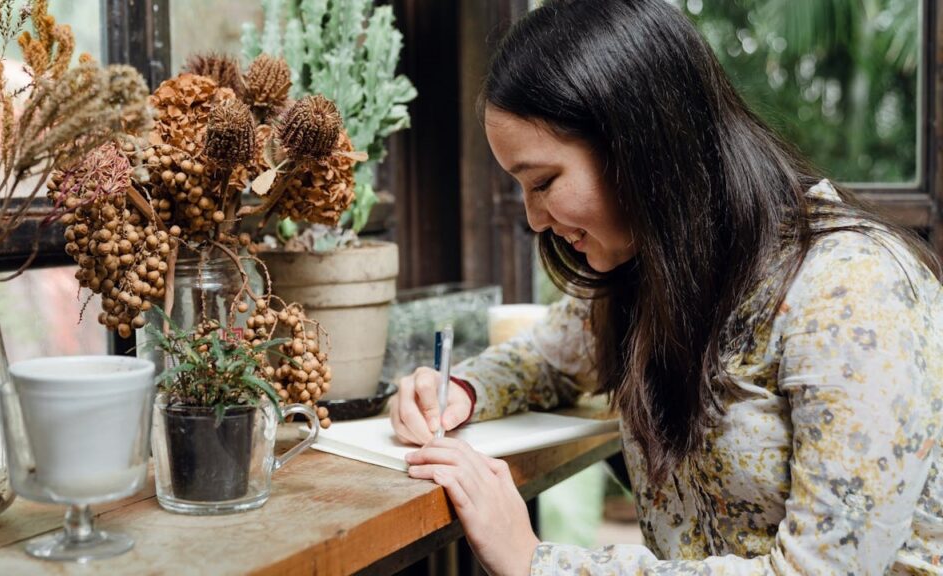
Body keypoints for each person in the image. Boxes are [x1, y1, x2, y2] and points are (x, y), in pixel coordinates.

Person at [387, 0, 943, 574]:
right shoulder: (656, 268)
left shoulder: (852, 291)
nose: (533, 219)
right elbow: (548, 358)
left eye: (544, 181)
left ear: (640, 144)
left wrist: (536, 561)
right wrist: (461, 390)